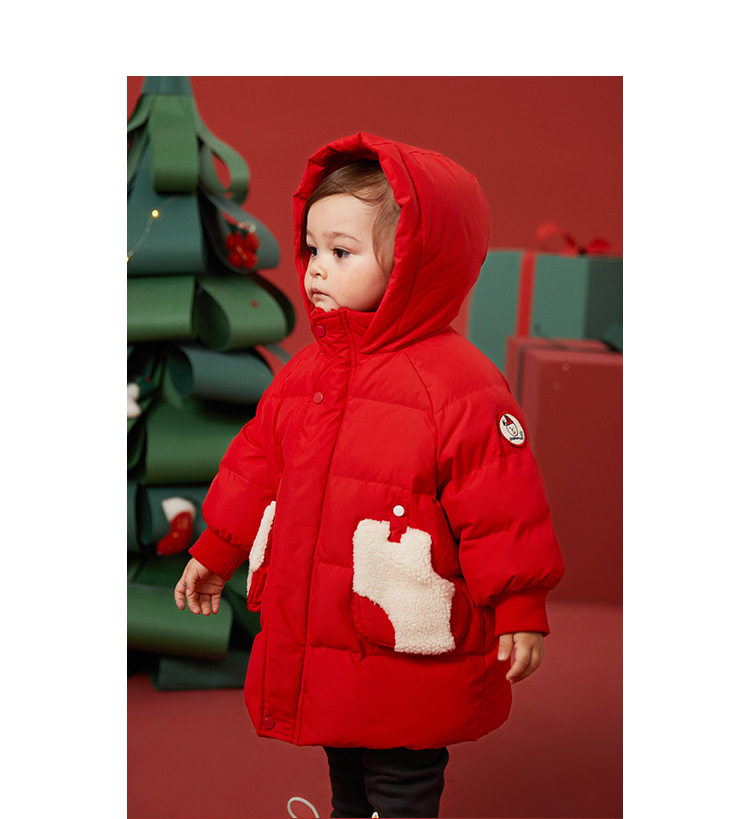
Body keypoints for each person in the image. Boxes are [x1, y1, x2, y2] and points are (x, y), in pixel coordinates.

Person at [174, 132, 565, 818]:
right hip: (325, 625)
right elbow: (256, 466)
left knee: (403, 776)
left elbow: (502, 506)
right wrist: (216, 548)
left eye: (342, 252)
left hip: (402, 626)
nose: (316, 270)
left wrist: (519, 605)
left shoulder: (460, 387)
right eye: (313, 249)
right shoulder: (307, 374)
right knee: (346, 765)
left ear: (414, 261)